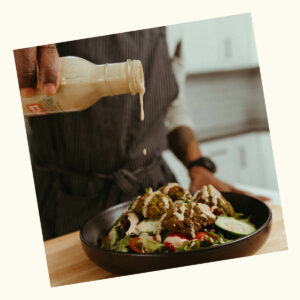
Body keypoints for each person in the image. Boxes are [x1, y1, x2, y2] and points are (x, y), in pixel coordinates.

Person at [14, 27, 267, 241]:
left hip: (154, 188)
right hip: (67, 199)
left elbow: (171, 103)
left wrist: (197, 165)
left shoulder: (173, 25)